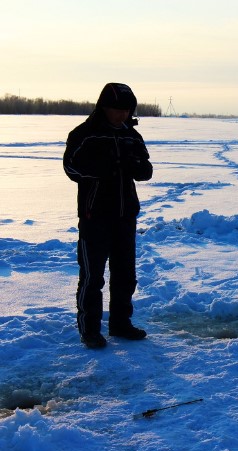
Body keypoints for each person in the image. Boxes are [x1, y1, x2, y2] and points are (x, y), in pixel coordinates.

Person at [63, 82, 153, 349]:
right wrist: (103, 168)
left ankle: (120, 324)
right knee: (92, 276)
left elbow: (146, 170)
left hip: (125, 216)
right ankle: (90, 329)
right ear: (103, 107)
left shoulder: (131, 135)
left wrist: (135, 165)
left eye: (126, 110)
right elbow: (71, 168)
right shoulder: (85, 134)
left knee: (125, 274)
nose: (121, 115)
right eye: (116, 110)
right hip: (95, 216)